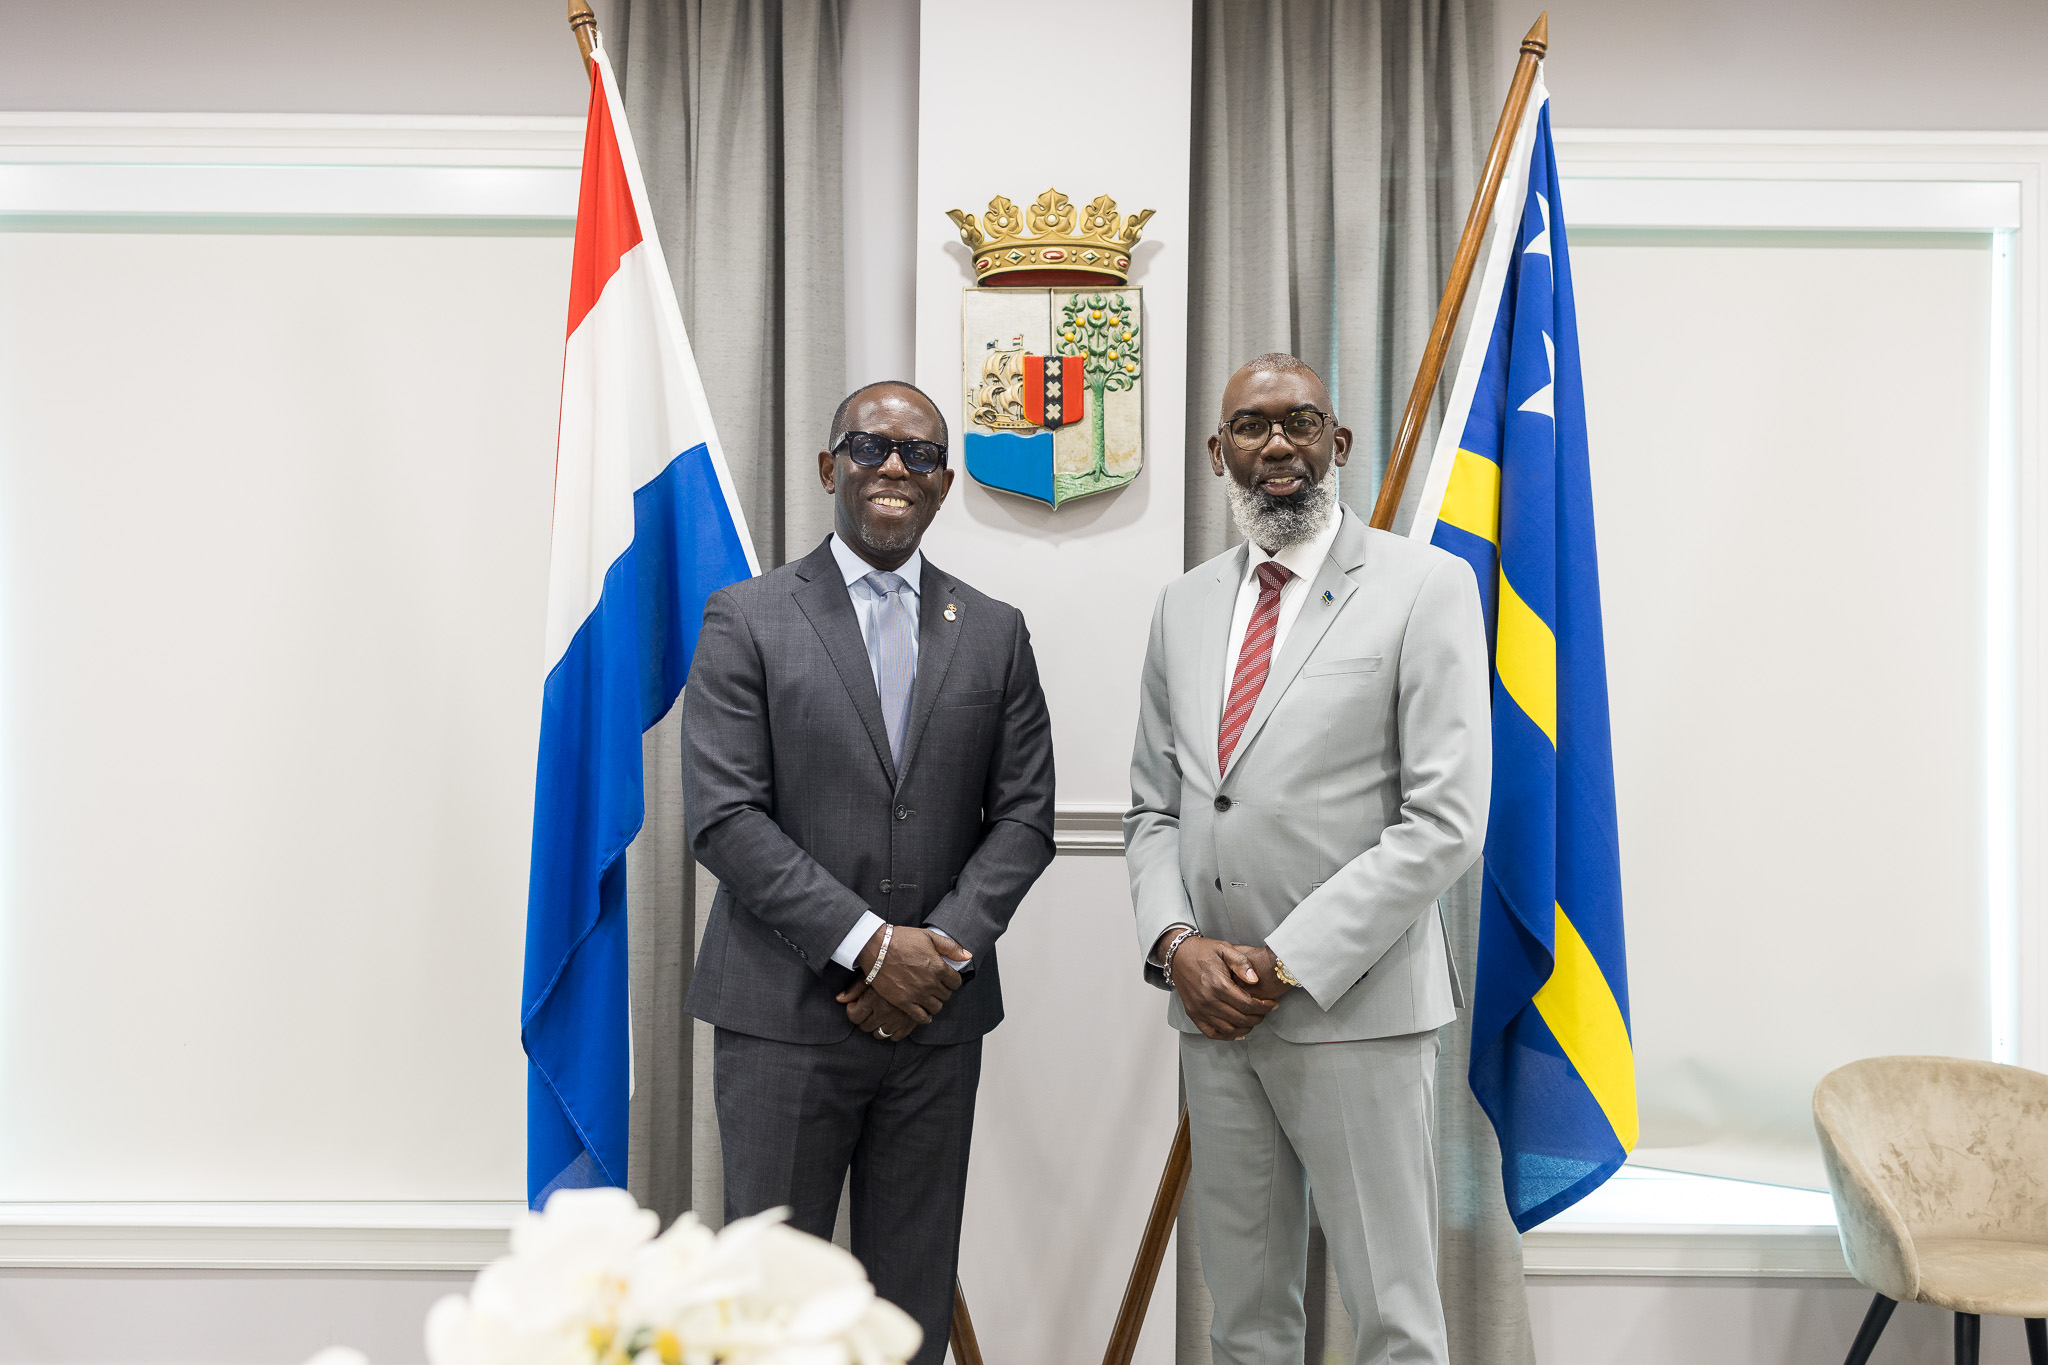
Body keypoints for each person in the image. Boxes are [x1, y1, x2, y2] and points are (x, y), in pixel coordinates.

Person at [1124, 354, 1490, 1365]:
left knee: (1393, 1322)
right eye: (1250, 425)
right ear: (1218, 453)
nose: (1276, 444)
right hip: (1213, 1016)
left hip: (1353, 1010)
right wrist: (1177, 946)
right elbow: (1153, 808)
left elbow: (1445, 819)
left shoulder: (1425, 587)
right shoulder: (1183, 605)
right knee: (1243, 1321)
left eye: (1300, 421)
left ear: (1340, 443)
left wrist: (1284, 960)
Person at [681, 380, 1055, 1365]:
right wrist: (871, 948)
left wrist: (934, 954)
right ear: (828, 466)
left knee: (908, 1318)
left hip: (936, 1025)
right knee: (770, 1322)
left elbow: (1024, 821)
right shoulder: (745, 617)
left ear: (943, 484)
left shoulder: (994, 630)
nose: (895, 466)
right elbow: (725, 819)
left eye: (920, 454)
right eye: (870, 446)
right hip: (780, 1021)